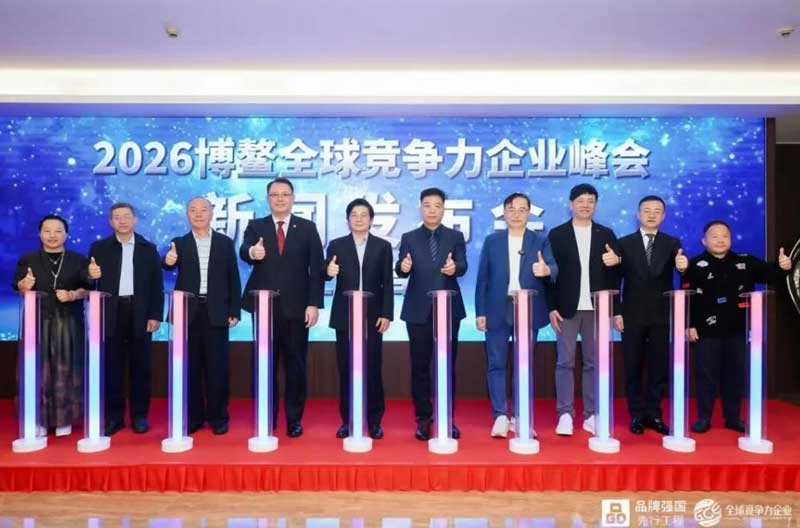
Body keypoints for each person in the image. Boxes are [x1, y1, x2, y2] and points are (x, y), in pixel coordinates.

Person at [682, 220, 792, 433]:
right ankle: (704, 418)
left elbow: (771, 274)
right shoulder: (694, 265)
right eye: (715, 236)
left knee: (735, 374)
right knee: (706, 375)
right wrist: (689, 325)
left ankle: (732, 417)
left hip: (738, 329)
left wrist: (782, 267)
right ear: (704, 241)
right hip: (706, 331)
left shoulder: (746, 261)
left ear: (731, 239)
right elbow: (688, 298)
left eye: (725, 236)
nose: (720, 240)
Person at [239, 177, 324, 438]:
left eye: (285, 194)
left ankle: (294, 419)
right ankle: (267, 416)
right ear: (268, 199)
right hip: (264, 307)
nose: (280, 199)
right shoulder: (256, 226)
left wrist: (313, 304)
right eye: (274, 194)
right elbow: (244, 250)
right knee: (265, 364)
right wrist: (252, 253)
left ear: (293, 198)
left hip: (297, 309)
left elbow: (316, 269)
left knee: (296, 365)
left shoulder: (307, 228)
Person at [475, 192, 558, 438]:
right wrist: (480, 312)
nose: (516, 214)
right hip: (496, 309)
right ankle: (500, 415)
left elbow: (554, 267)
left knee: (524, 365)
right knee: (496, 364)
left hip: (528, 309)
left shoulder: (540, 240)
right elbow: (482, 279)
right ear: (504, 213)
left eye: (522, 210)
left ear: (529, 213)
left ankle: (521, 417)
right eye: (511, 209)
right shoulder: (492, 241)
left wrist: (546, 270)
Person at [546, 183, 621, 436]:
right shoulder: (557, 234)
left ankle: (591, 414)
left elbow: (616, 275)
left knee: (593, 363)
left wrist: (617, 261)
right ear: (570, 204)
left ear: (596, 205)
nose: (585, 205)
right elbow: (549, 274)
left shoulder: (606, 234)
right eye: (580, 201)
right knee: (564, 362)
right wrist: (551, 307)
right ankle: (565, 413)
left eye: (590, 201)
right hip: (566, 308)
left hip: (597, 308)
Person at [163, 197, 241, 435]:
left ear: (211, 213)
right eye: (193, 210)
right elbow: (167, 265)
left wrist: (234, 310)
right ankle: (194, 417)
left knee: (218, 368)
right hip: (187, 312)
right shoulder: (179, 243)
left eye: (203, 210)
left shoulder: (225, 243)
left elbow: (233, 277)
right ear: (187, 214)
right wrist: (168, 261)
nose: (198, 214)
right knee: (190, 367)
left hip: (217, 311)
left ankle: (218, 417)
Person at [395, 187, 467, 441]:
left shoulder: (455, 236)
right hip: (418, 310)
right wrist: (403, 267)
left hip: (449, 309)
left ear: (443, 209)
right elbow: (401, 268)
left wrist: (454, 267)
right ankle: (423, 419)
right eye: (427, 205)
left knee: (447, 366)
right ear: (420, 208)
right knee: (420, 367)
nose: (432, 210)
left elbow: (463, 265)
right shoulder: (409, 237)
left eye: (437, 205)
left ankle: (447, 417)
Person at [87, 203, 164, 435]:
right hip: (111, 312)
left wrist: (155, 315)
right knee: (113, 367)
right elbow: (89, 281)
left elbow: (156, 286)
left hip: (140, 312)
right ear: (110, 222)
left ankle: (140, 416)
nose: (122, 221)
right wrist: (90, 275)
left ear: (135, 220)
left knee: (141, 367)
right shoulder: (99, 248)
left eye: (126, 216)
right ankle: (114, 417)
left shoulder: (148, 248)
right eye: (117, 217)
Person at [13, 214, 90, 437]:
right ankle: (39, 419)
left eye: (58, 231)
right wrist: (25, 285)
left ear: (66, 234)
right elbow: (19, 286)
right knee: (38, 370)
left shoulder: (78, 259)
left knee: (67, 369)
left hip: (69, 321)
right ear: (40, 234)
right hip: (37, 321)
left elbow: (88, 288)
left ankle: (64, 417)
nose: (52, 235)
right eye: (47, 231)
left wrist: (73, 294)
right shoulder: (28, 259)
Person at [325, 198, 393, 440]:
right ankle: (348, 420)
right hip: (345, 315)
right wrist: (327, 271)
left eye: (364, 214)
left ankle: (374, 421)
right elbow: (325, 273)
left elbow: (387, 283)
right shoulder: (336, 245)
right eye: (354, 214)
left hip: (373, 316)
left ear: (371, 220)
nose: (359, 219)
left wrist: (386, 313)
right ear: (348, 220)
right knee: (346, 369)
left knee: (373, 369)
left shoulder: (383, 246)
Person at [614, 195, 682, 436]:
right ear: (638, 214)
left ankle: (654, 414)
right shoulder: (624, 243)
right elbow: (615, 280)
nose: (652, 214)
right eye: (647, 210)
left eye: (657, 211)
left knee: (658, 368)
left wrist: (684, 266)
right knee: (632, 367)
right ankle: (636, 414)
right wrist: (617, 312)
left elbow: (683, 273)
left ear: (663, 216)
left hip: (661, 315)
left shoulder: (672, 243)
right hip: (632, 314)